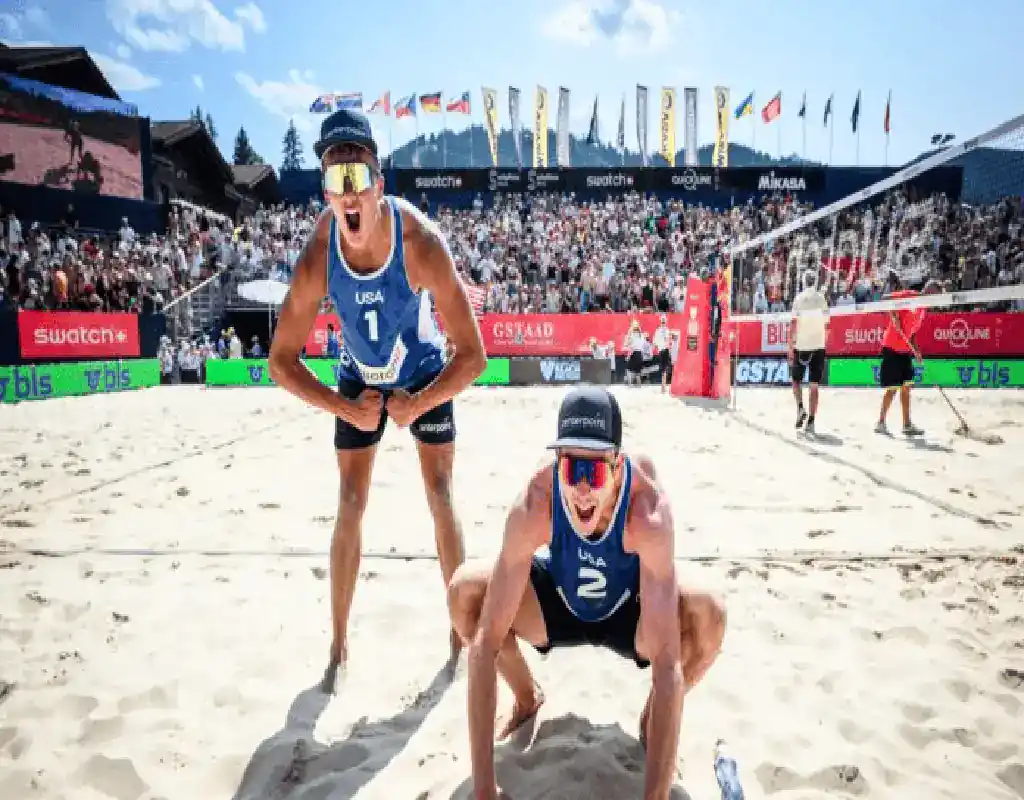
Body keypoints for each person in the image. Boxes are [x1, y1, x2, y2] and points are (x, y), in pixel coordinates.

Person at [268, 109, 487, 689]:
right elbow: (279, 362)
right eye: (334, 180)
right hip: (359, 374)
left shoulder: (421, 243)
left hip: (423, 368)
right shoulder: (319, 253)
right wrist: (346, 408)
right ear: (324, 192)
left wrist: (418, 404)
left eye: (356, 177)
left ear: (379, 185)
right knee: (349, 501)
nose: (347, 193)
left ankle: (459, 634)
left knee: (439, 495)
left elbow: (475, 355)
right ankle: (338, 650)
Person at [447, 387, 726, 800]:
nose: (580, 489)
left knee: (710, 614)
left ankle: (653, 723)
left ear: (618, 464)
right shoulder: (537, 500)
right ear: (556, 463)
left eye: (593, 473)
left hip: (628, 610)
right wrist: (485, 791)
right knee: (464, 593)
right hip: (559, 601)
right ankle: (527, 699)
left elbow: (667, 664)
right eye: (571, 469)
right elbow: (486, 643)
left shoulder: (646, 512)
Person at [875, 277, 927, 437]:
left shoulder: (923, 309)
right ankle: (881, 422)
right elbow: (885, 299)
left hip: (906, 350)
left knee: (906, 387)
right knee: (892, 388)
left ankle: (907, 424)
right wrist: (894, 316)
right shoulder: (910, 295)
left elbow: (912, 333)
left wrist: (916, 350)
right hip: (891, 347)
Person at [788, 269, 829, 436]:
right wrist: (824, 342)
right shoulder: (821, 299)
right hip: (818, 346)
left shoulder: (798, 299)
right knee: (814, 386)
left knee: (796, 381)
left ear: (804, 282)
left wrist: (790, 346)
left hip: (802, 346)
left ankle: (800, 408)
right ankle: (811, 421)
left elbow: (793, 325)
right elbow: (827, 324)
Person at [652, 314, 672, 393]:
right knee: (664, 368)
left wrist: (657, 345)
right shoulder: (663, 330)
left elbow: (655, 342)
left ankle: (663, 386)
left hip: (663, 350)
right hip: (663, 350)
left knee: (664, 369)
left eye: (663, 322)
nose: (663, 323)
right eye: (663, 322)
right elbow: (656, 342)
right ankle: (663, 386)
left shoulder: (663, 330)